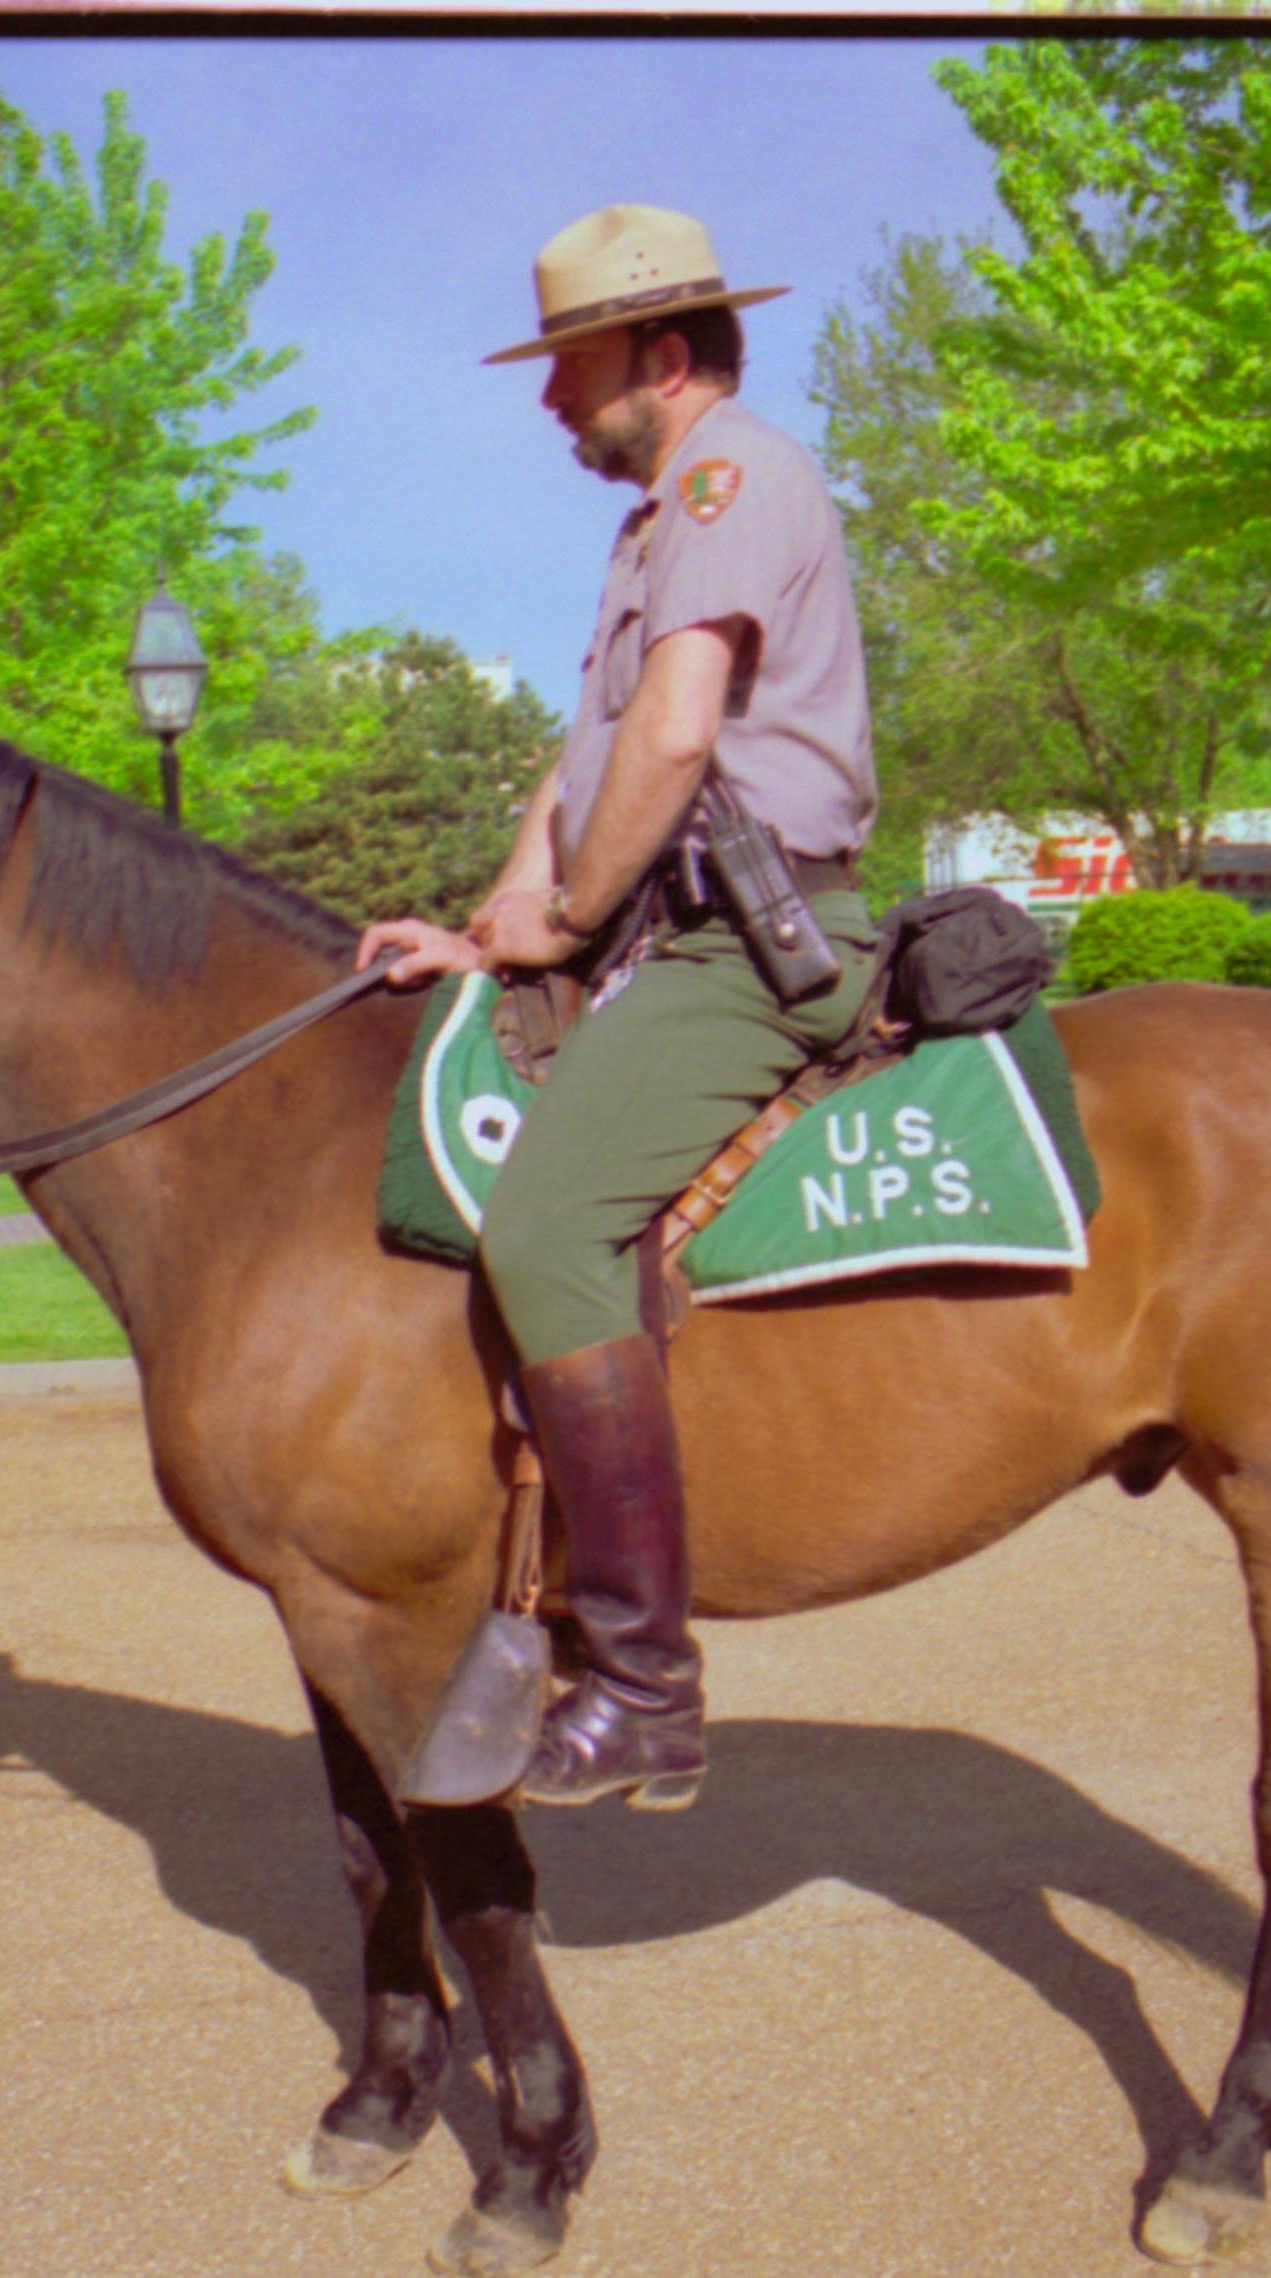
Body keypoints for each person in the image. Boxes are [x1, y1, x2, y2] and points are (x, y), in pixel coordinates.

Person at [358, 205, 879, 1809]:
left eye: (569, 367)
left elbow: (671, 735)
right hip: (660, 928)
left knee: (541, 1226)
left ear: (663, 359)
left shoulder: (734, 479)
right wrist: (492, 926)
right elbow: (583, 759)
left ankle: (646, 1682)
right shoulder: (654, 525)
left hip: (748, 943)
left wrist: (571, 915)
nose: (547, 402)